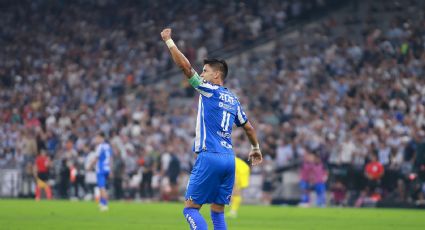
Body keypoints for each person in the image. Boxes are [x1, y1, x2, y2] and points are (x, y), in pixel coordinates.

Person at [161, 28, 263, 230]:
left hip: (209, 157)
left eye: (205, 71)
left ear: (217, 75)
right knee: (217, 212)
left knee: (190, 209)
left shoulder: (208, 90)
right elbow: (249, 128)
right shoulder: (233, 99)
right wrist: (256, 149)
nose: (201, 73)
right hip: (229, 160)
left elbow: (185, 67)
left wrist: (169, 41)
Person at [90, 133, 113, 211]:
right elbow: (110, 158)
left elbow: (96, 158)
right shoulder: (108, 146)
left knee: (102, 187)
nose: (96, 140)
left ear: (101, 138)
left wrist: (89, 166)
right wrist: (110, 169)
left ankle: (105, 205)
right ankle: (102, 202)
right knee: (101, 186)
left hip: (101, 169)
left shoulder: (100, 147)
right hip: (107, 168)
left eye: (97, 138)